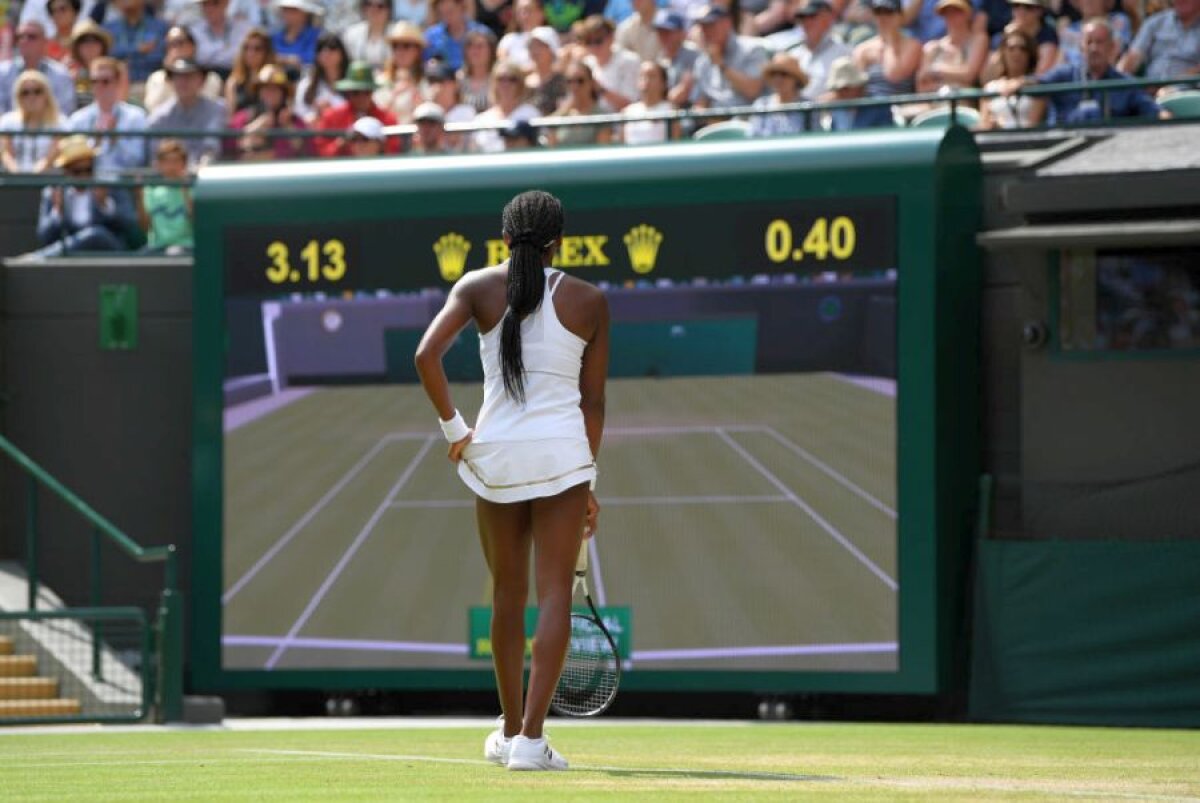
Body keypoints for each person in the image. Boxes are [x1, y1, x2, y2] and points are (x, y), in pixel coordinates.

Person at [414, 189, 607, 772]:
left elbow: (427, 355)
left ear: (504, 240)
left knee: (506, 594)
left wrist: (454, 428)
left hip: (494, 457)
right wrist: (586, 479)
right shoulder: (589, 299)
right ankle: (529, 740)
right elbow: (593, 402)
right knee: (552, 594)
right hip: (562, 459)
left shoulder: (474, 288)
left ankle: (506, 729)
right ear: (561, 243)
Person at [1003, 17, 1160, 123]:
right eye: (1089, 42)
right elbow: (1036, 83)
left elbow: (1155, 112)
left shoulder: (1126, 84)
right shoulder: (1063, 75)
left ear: (1112, 47)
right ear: (1080, 47)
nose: (1093, 48)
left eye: (1099, 42)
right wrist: (1019, 83)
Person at [33, 135, 140, 257]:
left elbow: (129, 224)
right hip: (70, 259)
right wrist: (58, 212)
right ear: (66, 171)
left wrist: (106, 206)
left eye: (88, 170)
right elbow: (44, 236)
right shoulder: (53, 193)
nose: (84, 175)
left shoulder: (110, 187)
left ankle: (40, 258)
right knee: (91, 236)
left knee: (97, 235)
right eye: (77, 172)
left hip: (109, 254)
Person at [68, 57, 148, 176]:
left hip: (123, 184)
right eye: (94, 81)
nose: (99, 86)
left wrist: (115, 139)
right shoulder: (78, 119)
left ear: (117, 82)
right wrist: (94, 143)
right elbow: (72, 160)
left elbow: (136, 161)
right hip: (88, 184)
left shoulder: (136, 117)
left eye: (105, 81)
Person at [148, 58, 229, 168]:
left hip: (205, 176)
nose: (183, 82)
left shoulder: (216, 109)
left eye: (190, 76)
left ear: (202, 81)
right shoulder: (159, 116)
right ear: (171, 81)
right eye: (178, 77)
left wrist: (198, 171)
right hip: (169, 177)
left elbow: (211, 150)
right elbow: (155, 156)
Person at [690, 5, 768, 110]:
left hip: (747, 120)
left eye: (711, 25)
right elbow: (699, 102)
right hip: (713, 121)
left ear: (727, 23)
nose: (706, 31)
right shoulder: (702, 62)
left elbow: (753, 91)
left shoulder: (752, 49)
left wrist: (722, 66)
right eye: (703, 27)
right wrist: (703, 116)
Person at [853, 0, 922, 117]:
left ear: (900, 16)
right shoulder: (863, 49)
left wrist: (889, 42)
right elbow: (855, 90)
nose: (883, 18)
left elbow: (894, 75)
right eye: (878, 12)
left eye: (888, 12)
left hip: (900, 111)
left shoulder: (913, 46)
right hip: (869, 110)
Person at [315, 60, 400, 154]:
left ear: (372, 91)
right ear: (348, 92)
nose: (361, 97)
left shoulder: (388, 119)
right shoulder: (331, 117)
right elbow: (321, 152)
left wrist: (376, 146)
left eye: (366, 92)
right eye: (355, 92)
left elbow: (394, 151)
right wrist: (340, 144)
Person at [231, 63, 313, 159]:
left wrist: (288, 127)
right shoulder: (242, 118)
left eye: (275, 89)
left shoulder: (295, 121)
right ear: (258, 92)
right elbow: (229, 149)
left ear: (284, 94)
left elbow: (308, 152)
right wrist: (256, 126)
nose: (270, 93)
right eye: (265, 89)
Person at [0, 21, 76, 116]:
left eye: (31, 36)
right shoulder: (2, 72)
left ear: (44, 41)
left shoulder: (60, 74)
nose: (24, 40)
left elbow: (64, 112)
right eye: (20, 37)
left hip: (50, 128)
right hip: (10, 129)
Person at [144, 26, 226, 114]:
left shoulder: (210, 78)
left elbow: (207, 109)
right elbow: (153, 109)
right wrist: (169, 75)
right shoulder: (157, 78)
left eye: (179, 43)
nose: (175, 49)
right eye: (170, 45)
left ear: (193, 46)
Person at [1118, 0, 1200, 84]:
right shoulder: (1155, 22)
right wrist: (1118, 76)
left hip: (1189, 90)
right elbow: (1133, 55)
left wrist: (1174, 83)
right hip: (1150, 87)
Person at [915, 0, 988, 94]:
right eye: (946, 12)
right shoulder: (931, 47)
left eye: (957, 11)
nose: (951, 16)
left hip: (965, 105)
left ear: (969, 13)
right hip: (936, 105)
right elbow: (922, 86)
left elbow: (969, 75)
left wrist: (935, 71)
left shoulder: (978, 40)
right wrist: (945, 87)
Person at [0, 70, 64, 173]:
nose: (31, 97)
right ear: (18, 96)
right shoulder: (7, 122)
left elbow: (53, 153)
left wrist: (34, 176)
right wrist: (18, 176)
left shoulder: (59, 122)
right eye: (25, 93)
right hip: (13, 182)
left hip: (49, 182)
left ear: (46, 94)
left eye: (37, 91)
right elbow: (6, 154)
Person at [978, 26, 1044, 127]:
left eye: (1023, 49)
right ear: (1003, 52)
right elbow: (983, 124)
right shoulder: (990, 88)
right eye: (1011, 48)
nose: (1017, 53)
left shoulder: (1037, 87)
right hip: (994, 140)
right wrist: (992, 124)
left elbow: (1032, 125)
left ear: (1030, 55)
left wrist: (1022, 82)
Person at [136, 139, 193, 254]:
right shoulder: (150, 191)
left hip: (186, 246)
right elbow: (145, 227)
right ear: (159, 165)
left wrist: (185, 190)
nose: (172, 166)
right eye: (167, 162)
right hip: (156, 247)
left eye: (176, 161)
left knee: (173, 253)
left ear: (184, 164)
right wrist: (139, 197)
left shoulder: (193, 190)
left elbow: (196, 221)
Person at [789, 0, 852, 100]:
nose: (806, 22)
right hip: (794, 113)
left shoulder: (844, 53)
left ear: (829, 18)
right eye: (802, 17)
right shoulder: (793, 55)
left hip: (827, 113)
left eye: (812, 16)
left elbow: (850, 91)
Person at [472, 59, 540, 151]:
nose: (506, 84)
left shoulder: (531, 114)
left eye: (512, 79)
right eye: (501, 79)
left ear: (520, 84)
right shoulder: (481, 119)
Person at [579, 14, 640, 110]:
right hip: (593, 123)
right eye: (588, 42)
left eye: (598, 41)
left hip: (622, 123)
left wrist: (599, 89)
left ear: (611, 38)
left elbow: (631, 105)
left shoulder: (630, 61)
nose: (593, 46)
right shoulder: (585, 64)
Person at [548, 60, 613, 145]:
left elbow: (603, 150)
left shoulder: (601, 116)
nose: (574, 86)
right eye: (569, 81)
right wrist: (564, 110)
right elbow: (552, 148)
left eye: (580, 81)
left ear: (591, 83)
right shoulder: (559, 116)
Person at [104, 0, 168, 85]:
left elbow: (159, 57)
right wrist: (138, 50)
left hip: (151, 83)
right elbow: (107, 55)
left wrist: (122, 56)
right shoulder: (107, 29)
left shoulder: (160, 27)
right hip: (115, 85)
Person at [823, 54, 897, 127]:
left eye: (845, 89)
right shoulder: (837, 111)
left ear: (859, 86)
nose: (840, 94)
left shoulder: (879, 107)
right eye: (837, 89)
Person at [751, 51, 812, 135]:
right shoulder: (762, 104)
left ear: (796, 79)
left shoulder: (808, 106)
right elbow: (754, 138)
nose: (778, 78)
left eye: (784, 74)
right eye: (774, 73)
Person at [1058, 0, 1131, 71]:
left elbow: (1114, 54)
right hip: (1074, 78)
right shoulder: (1069, 31)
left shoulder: (1118, 21)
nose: (1089, 1)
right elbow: (1060, 63)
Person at [375, 21, 425, 121]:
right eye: (395, 46)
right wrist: (395, 94)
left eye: (406, 45)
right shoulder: (380, 80)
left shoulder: (426, 80)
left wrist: (415, 94)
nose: (399, 51)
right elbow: (377, 115)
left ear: (418, 50)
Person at [295, 31, 348, 122]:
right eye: (320, 49)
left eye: (332, 47)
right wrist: (316, 113)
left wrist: (332, 111)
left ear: (342, 53)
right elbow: (299, 114)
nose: (326, 53)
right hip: (316, 132)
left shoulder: (353, 83)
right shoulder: (306, 84)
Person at [191, 0, 255, 76]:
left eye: (215, 3)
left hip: (236, 77)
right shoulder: (193, 31)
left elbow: (245, 58)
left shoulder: (243, 28)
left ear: (227, 3)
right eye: (205, 4)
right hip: (204, 79)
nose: (210, 8)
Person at [424, 0, 493, 70]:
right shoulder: (431, 36)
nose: (447, 17)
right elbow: (426, 63)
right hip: (443, 79)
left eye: (450, 11)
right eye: (442, 14)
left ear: (461, 7)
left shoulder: (482, 33)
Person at [622, 59, 678, 143]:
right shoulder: (627, 112)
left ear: (663, 83)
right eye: (642, 76)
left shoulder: (671, 111)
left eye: (652, 76)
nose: (646, 80)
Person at [652, 9, 698, 109]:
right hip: (667, 110)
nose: (663, 36)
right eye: (660, 32)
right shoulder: (659, 57)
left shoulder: (692, 55)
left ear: (681, 33)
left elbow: (681, 93)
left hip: (689, 112)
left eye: (668, 32)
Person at [224, 27, 276, 113]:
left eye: (257, 48)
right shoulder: (233, 82)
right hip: (241, 125)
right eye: (246, 48)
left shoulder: (274, 77)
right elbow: (230, 117)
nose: (251, 53)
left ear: (267, 52)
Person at [524, 25, 566, 113]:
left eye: (540, 46)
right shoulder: (523, 82)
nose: (535, 51)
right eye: (531, 46)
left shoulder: (563, 81)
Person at [272, 0, 324, 70]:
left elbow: (312, 59)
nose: (288, 13)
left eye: (293, 10)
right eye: (285, 9)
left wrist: (283, 59)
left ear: (305, 13)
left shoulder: (316, 36)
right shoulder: (275, 36)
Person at [343, 0, 395, 67]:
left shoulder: (397, 33)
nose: (374, 9)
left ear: (389, 10)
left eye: (380, 6)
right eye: (368, 4)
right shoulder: (351, 34)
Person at [498, 0, 547, 68]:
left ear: (541, 13)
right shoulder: (507, 39)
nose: (524, 15)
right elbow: (503, 64)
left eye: (529, 10)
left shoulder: (549, 36)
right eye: (520, 11)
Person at [459, 28, 499, 112]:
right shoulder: (459, 79)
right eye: (470, 47)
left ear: (491, 50)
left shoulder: (500, 78)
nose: (475, 51)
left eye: (480, 46)